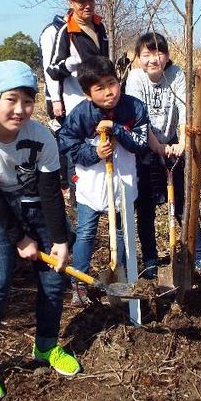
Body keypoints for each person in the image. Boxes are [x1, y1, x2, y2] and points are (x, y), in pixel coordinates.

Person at [0, 60, 80, 401]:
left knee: (54, 280)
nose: (21, 109)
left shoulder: (41, 136)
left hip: (38, 206)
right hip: (1, 212)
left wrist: (59, 240)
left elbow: (51, 193)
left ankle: (47, 347)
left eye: (28, 100)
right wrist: (21, 239)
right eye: (11, 99)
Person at [58, 56, 149, 306]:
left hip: (123, 184)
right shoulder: (80, 115)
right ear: (88, 94)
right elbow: (67, 144)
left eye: (112, 83)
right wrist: (94, 153)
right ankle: (79, 282)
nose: (109, 92)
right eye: (100, 88)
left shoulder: (135, 108)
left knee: (119, 233)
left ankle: (116, 278)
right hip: (91, 187)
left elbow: (141, 146)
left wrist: (117, 129)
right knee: (86, 232)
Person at [125, 32, 201, 278]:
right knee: (145, 208)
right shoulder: (135, 78)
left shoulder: (176, 75)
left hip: (173, 146)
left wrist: (184, 142)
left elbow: (186, 110)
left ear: (167, 55)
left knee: (183, 206)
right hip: (144, 149)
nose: (153, 59)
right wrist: (156, 147)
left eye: (158, 53)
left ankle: (200, 255)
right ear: (138, 58)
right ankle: (151, 260)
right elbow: (139, 118)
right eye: (146, 54)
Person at [46, 0, 110, 116]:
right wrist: (70, 64)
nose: (87, 6)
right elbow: (53, 70)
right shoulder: (66, 31)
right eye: (81, 1)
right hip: (77, 103)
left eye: (91, 0)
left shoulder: (100, 27)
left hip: (102, 99)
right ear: (71, 3)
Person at [39, 12, 70, 194]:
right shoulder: (52, 32)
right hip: (57, 98)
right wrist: (56, 99)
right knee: (64, 139)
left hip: (71, 96)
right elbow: (49, 68)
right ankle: (65, 183)